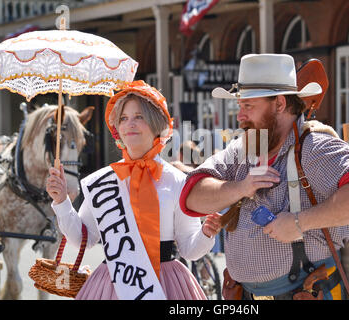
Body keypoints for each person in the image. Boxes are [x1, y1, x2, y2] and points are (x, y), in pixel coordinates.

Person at [178, 54, 349, 300]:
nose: (239, 116)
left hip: (305, 292)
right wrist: (241, 187)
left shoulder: (314, 147)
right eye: (240, 106)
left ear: (278, 104)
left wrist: (299, 222)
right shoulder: (241, 148)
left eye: (248, 106)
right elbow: (191, 196)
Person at [45, 80, 221, 300]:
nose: (130, 124)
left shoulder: (178, 181)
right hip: (113, 284)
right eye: (124, 118)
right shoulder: (101, 181)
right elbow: (82, 240)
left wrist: (206, 234)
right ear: (116, 127)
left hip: (166, 284)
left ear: (157, 123)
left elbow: (189, 250)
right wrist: (61, 202)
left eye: (139, 117)